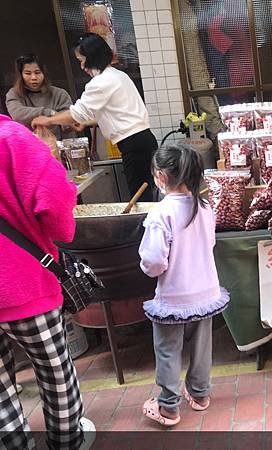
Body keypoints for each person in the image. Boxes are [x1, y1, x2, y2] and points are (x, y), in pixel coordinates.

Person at [0, 115, 95, 449]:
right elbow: (55, 204)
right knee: (56, 374)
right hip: (23, 287)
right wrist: (49, 155)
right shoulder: (13, 139)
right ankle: (67, 442)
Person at [139, 144, 229, 427]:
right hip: (206, 292)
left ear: (161, 176)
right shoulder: (204, 207)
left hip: (174, 297)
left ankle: (168, 407)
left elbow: (153, 262)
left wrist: (147, 267)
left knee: (168, 349)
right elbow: (209, 244)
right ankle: (200, 396)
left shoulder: (160, 214)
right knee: (202, 347)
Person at [32, 33, 156, 202]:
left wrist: (48, 120)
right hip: (143, 140)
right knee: (146, 192)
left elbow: (78, 112)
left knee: (141, 197)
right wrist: (85, 124)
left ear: (92, 58)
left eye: (82, 60)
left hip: (133, 144)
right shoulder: (118, 75)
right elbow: (115, 112)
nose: (82, 66)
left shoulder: (101, 82)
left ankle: (146, 228)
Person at [5, 54, 74, 139]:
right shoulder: (14, 94)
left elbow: (69, 125)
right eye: (28, 73)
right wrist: (50, 113)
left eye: (37, 72)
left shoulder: (60, 94)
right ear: (21, 75)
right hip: (27, 146)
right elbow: (17, 114)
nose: (33, 77)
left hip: (55, 145)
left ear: (44, 73)